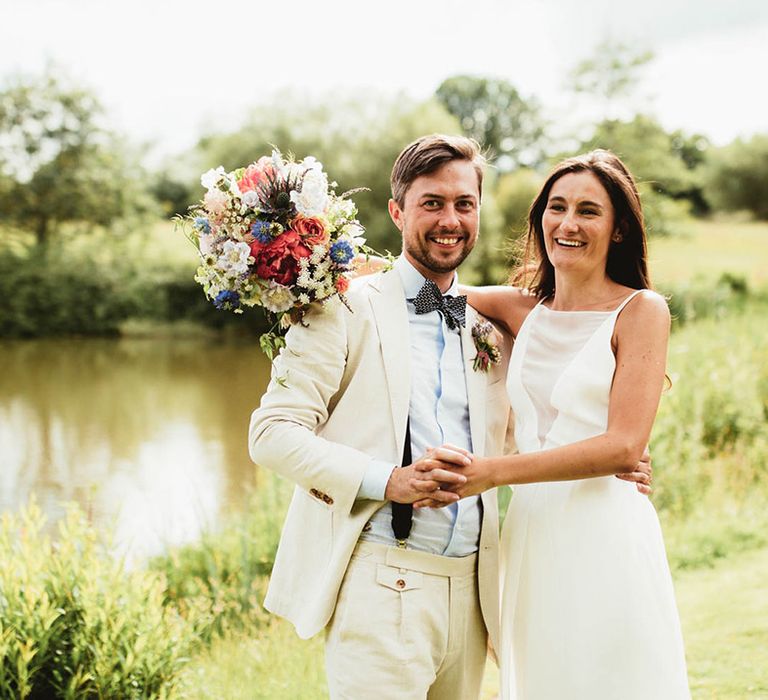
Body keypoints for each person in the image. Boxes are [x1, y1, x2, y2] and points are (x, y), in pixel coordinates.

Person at [248, 135, 651, 699]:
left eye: (464, 204)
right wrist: (387, 480)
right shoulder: (338, 305)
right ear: (397, 211)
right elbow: (271, 435)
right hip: (379, 582)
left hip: (477, 592)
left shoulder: (496, 326)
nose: (450, 220)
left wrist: (615, 454)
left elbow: (534, 429)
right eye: (432, 203)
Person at [419, 150, 690, 699]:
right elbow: (420, 289)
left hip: (605, 527)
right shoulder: (522, 309)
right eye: (557, 207)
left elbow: (622, 446)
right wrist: (322, 255)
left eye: (589, 211)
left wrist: (492, 472)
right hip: (533, 535)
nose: (568, 224)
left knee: (615, 679)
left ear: (618, 231)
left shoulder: (642, 311)